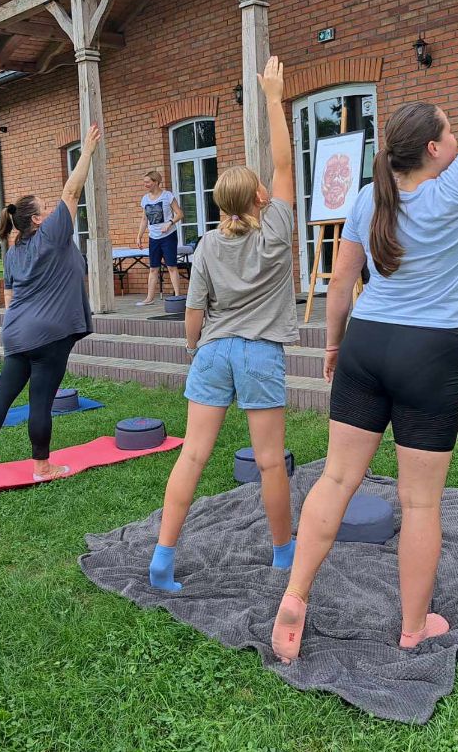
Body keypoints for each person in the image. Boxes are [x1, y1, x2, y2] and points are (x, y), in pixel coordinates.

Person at [271, 0, 458, 662]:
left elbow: (340, 283)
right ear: (431, 149)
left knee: (336, 478)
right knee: (421, 503)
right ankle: (412, 625)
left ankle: (294, 597)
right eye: (452, 134)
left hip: (367, 342)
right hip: (428, 353)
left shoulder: (369, 200)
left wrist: (333, 346)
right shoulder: (454, 189)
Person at [147, 56, 297, 591]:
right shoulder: (275, 233)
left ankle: (162, 558)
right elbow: (284, 165)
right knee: (270, 463)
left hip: (213, 351)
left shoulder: (208, 242)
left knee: (192, 453)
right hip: (259, 354)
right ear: (260, 198)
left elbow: (193, 310)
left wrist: (194, 348)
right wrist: (274, 98)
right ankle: (284, 557)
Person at [0, 124, 100, 489]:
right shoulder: (52, 236)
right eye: (46, 207)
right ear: (39, 220)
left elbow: (10, 297)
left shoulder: (14, 251)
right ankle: (41, 466)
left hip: (17, 331)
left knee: (5, 394)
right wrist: (86, 152)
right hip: (49, 334)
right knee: (41, 400)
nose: (52, 208)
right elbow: (72, 191)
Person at [134, 170, 184, 306]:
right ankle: (149, 298)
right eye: (144, 182)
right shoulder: (144, 199)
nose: (145, 184)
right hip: (153, 237)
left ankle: (178, 297)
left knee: (171, 266)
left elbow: (179, 214)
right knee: (153, 268)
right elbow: (144, 219)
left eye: (147, 182)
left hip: (168, 236)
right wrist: (139, 236)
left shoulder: (167, 196)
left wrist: (170, 223)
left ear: (156, 182)